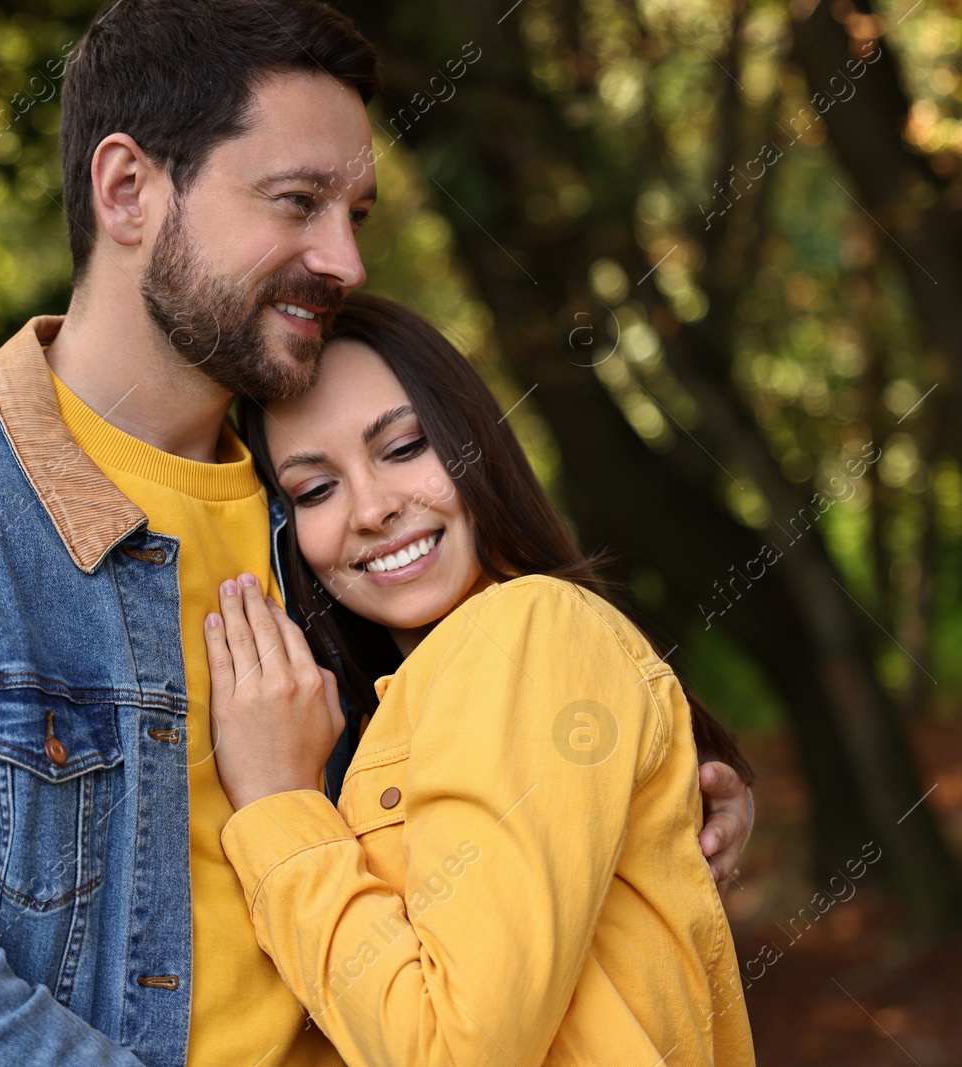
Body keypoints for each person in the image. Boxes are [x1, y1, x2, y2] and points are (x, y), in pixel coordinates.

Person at [0, 1, 753, 1064]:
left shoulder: (339, 533)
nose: (345, 258)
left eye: (356, 212)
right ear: (128, 189)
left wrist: (652, 784)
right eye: (298, 201)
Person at [205, 293, 756, 1065]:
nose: (373, 507)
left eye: (404, 448)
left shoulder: (526, 628)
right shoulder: (389, 714)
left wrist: (276, 809)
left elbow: (455, 1050)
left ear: (473, 444)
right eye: (314, 490)